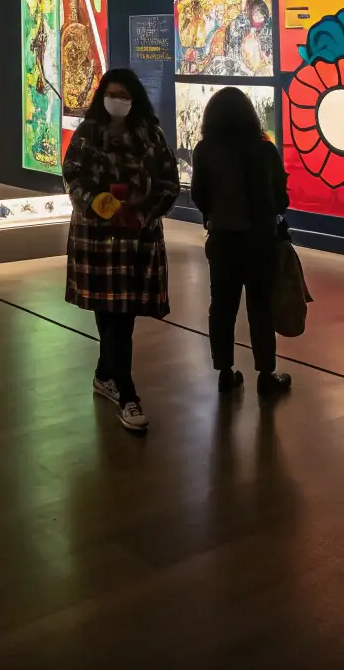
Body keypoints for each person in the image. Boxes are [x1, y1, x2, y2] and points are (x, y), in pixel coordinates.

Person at [63, 68, 180, 432]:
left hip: (137, 239)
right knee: (109, 313)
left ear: (135, 98)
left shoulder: (150, 134)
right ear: (102, 96)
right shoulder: (88, 133)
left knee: (121, 314)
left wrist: (145, 209)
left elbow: (169, 180)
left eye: (124, 95)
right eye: (111, 94)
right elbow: (72, 173)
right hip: (96, 238)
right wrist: (93, 200)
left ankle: (110, 378)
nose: (118, 101)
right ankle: (125, 392)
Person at [191, 86, 292, 397]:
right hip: (260, 241)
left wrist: (215, 215)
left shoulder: (205, 151)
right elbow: (281, 198)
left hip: (223, 241)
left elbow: (198, 195)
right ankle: (265, 373)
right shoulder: (265, 150)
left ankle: (224, 371)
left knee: (221, 308)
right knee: (260, 308)